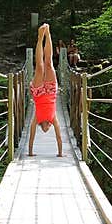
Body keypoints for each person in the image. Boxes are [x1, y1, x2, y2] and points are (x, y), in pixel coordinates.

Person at [28, 23, 63, 157]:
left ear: (41, 127)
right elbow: (59, 137)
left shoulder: (36, 119)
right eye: (49, 128)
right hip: (51, 91)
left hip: (38, 93)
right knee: (48, 63)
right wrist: (60, 153)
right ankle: (47, 33)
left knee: (40, 67)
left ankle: (40, 38)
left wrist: (30, 153)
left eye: (46, 129)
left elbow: (31, 137)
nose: (48, 128)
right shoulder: (53, 118)